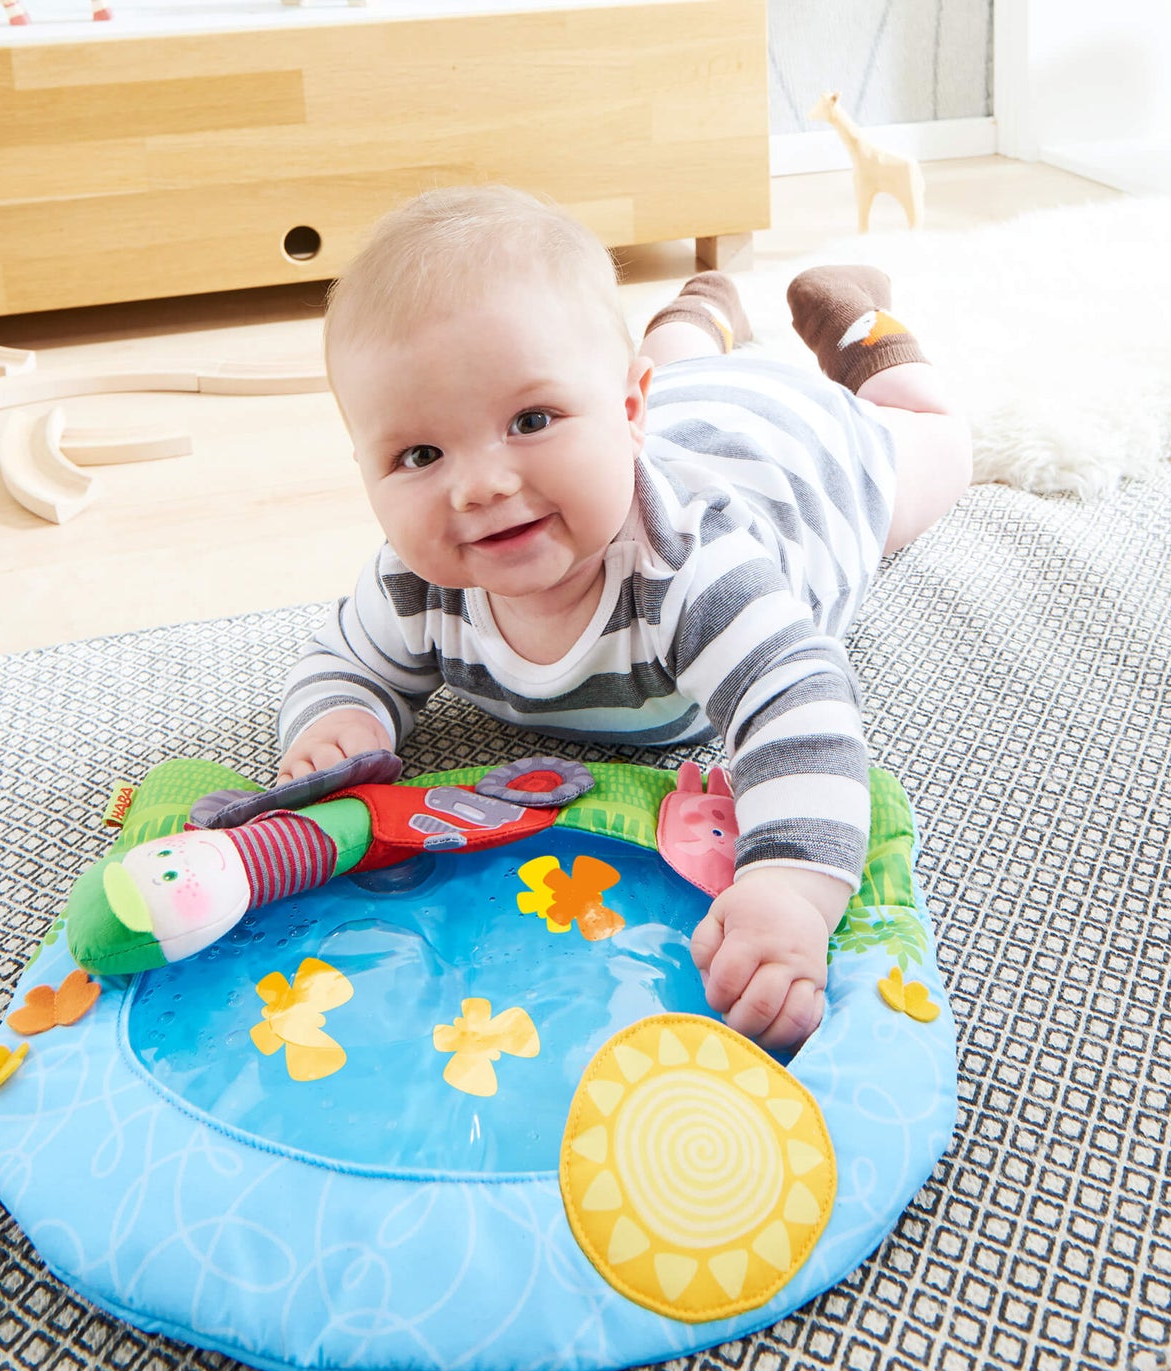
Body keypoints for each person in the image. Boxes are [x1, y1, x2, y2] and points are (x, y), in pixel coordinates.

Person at [277, 185, 971, 1051]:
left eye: (530, 420)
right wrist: (339, 719)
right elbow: (343, 660)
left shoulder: (691, 569)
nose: (480, 485)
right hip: (674, 399)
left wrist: (789, 886)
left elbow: (798, 705)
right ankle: (699, 313)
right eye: (419, 453)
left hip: (803, 453)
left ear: (625, 414)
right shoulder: (417, 585)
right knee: (666, 374)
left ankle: (860, 324)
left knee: (939, 439)